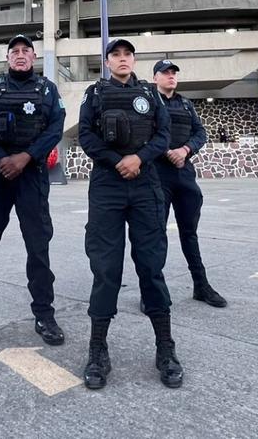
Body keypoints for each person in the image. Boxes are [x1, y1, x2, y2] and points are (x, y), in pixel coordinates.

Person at [78, 38, 183, 390]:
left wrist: (139, 158)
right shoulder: (94, 94)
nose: (122, 59)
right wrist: (117, 160)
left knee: (152, 267)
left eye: (127, 55)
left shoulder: (151, 95)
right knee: (106, 269)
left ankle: (165, 348)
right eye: (115, 55)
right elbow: (87, 137)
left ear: (134, 60)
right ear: (107, 61)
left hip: (146, 183)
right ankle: (97, 349)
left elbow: (164, 133)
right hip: (107, 185)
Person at [0, 34, 66, 347]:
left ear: (33, 56)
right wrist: (0, 158)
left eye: (25, 51)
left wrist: (26, 157)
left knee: (38, 245)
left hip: (31, 173)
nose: (20, 55)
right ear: (8, 58)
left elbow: (55, 127)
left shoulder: (48, 89)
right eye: (14, 51)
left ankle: (44, 314)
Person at [151, 59, 226, 308]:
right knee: (155, 235)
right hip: (157, 174)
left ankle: (201, 285)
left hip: (184, 174)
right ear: (155, 78)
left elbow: (200, 133)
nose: (171, 76)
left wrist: (184, 150)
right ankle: (152, 291)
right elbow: (142, 134)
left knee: (189, 234)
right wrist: (167, 152)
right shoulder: (149, 102)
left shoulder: (186, 103)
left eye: (173, 73)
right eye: (165, 73)